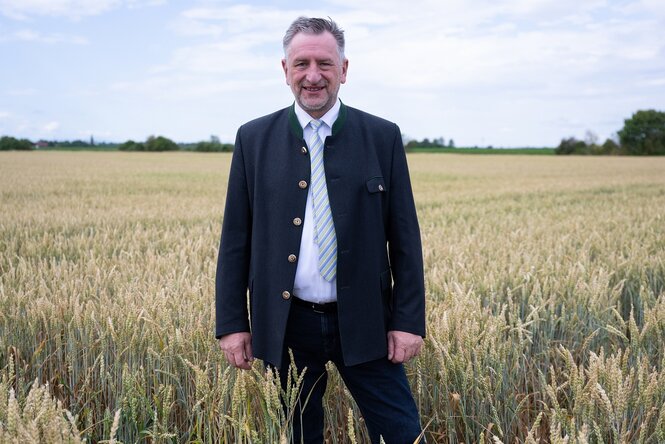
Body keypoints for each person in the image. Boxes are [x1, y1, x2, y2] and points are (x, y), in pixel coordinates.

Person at [215, 16, 426, 444]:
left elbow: (405, 240)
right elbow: (236, 239)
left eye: (325, 64)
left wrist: (408, 321)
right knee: (297, 438)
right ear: (285, 70)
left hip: (368, 322)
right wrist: (233, 322)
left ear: (344, 71)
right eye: (302, 64)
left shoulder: (381, 136)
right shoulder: (253, 139)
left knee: (403, 435)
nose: (313, 76)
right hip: (287, 324)